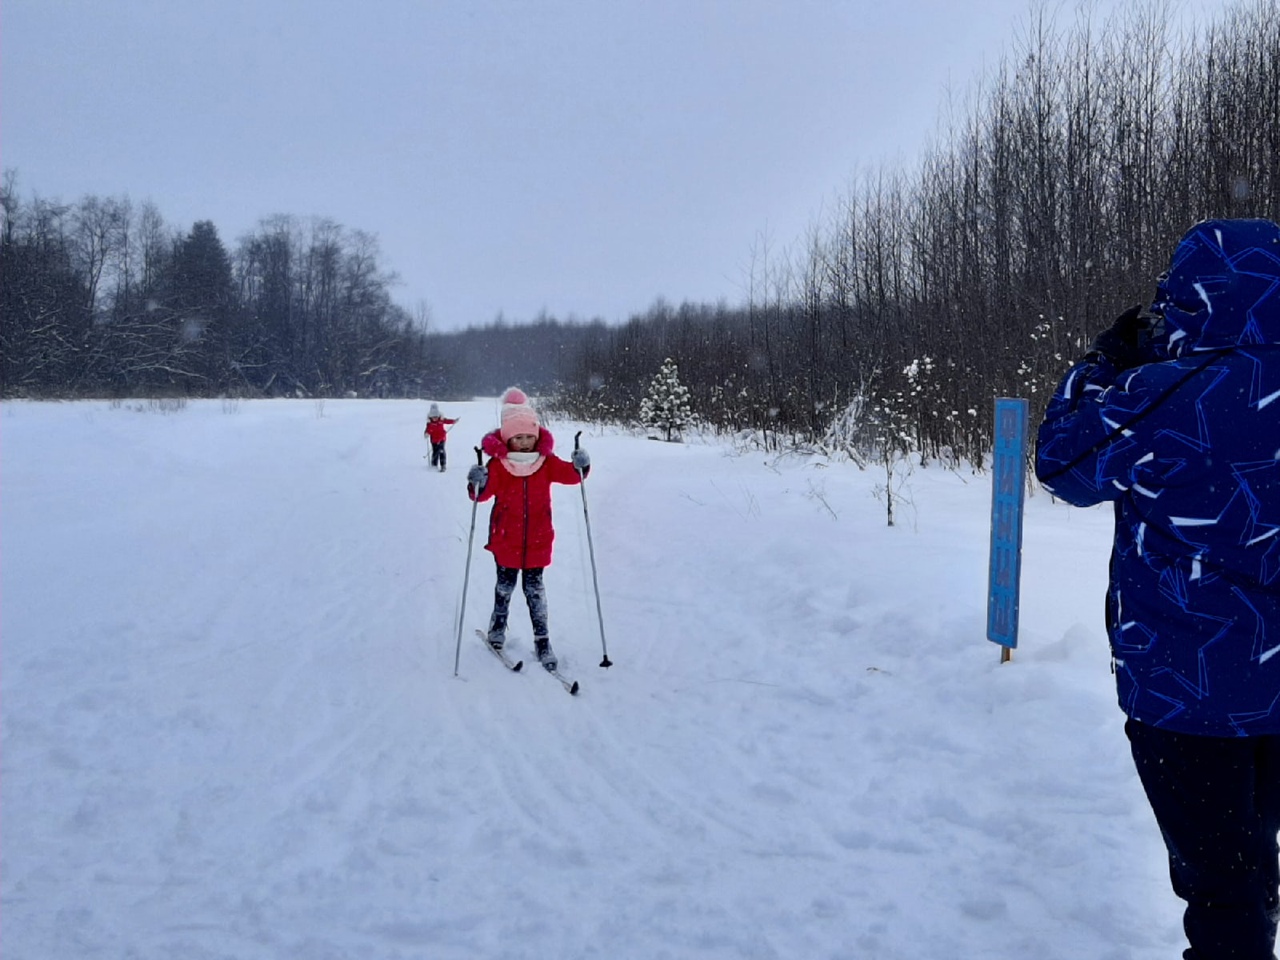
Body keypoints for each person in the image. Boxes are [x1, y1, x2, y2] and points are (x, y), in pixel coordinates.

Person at [1035, 218, 1280, 960]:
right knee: (1251, 859)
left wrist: (1102, 362)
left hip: (1186, 692)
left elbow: (1061, 464)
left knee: (1222, 885)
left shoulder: (1164, 396)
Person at [466, 387, 590, 671]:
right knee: (505, 587)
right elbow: (481, 495)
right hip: (505, 540)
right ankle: (497, 628)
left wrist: (581, 466)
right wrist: (477, 482)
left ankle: (542, 639)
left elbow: (571, 476)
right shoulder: (499, 465)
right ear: (507, 439)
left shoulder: (546, 463)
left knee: (535, 591)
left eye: (528, 436)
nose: (524, 443)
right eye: (518, 437)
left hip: (538, 540)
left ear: (536, 435)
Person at [424, 403, 458, 472]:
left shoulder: (441, 420)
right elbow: (428, 430)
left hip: (442, 438)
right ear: (430, 417)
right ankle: (434, 465)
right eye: (433, 417)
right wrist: (426, 434)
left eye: (436, 417)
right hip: (434, 440)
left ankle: (443, 465)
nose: (435, 418)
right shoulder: (429, 423)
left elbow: (447, 421)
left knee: (441, 451)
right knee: (435, 452)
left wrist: (453, 421)